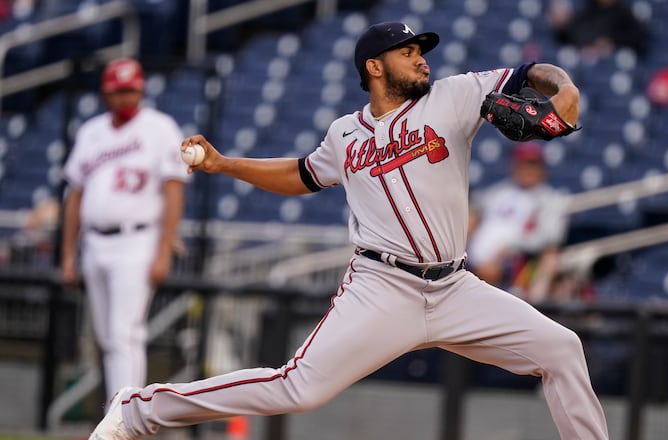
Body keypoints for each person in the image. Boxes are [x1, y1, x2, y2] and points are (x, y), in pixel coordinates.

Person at [89, 22, 609, 440]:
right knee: (296, 389)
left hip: (455, 287)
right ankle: (141, 409)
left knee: (561, 348)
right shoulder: (345, 133)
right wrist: (225, 165)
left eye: (421, 50)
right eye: (408, 52)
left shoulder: (455, 95)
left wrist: (563, 87)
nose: (422, 58)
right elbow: (301, 174)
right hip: (383, 288)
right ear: (374, 66)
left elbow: (530, 73)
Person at [60, 58, 189, 404]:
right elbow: (75, 195)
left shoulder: (160, 127)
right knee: (106, 336)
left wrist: (163, 250)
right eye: (119, 91)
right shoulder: (91, 132)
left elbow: (174, 190)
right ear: (106, 93)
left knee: (124, 334)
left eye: (132, 89)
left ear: (142, 89)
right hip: (94, 242)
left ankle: (125, 418)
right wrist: (68, 254)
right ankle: (116, 413)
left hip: (138, 240)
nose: (126, 97)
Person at [467, 141, 569, 303]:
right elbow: (475, 210)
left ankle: (534, 307)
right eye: (523, 164)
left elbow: (550, 239)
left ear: (542, 169)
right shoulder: (499, 192)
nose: (527, 170)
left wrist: (509, 249)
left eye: (533, 164)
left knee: (550, 258)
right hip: (475, 256)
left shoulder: (550, 199)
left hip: (519, 260)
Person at [549, 0, 651, 63]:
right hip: (588, 62)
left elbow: (640, 37)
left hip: (615, 61)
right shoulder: (588, 10)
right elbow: (572, 37)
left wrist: (613, 42)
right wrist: (562, 28)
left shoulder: (623, 11)